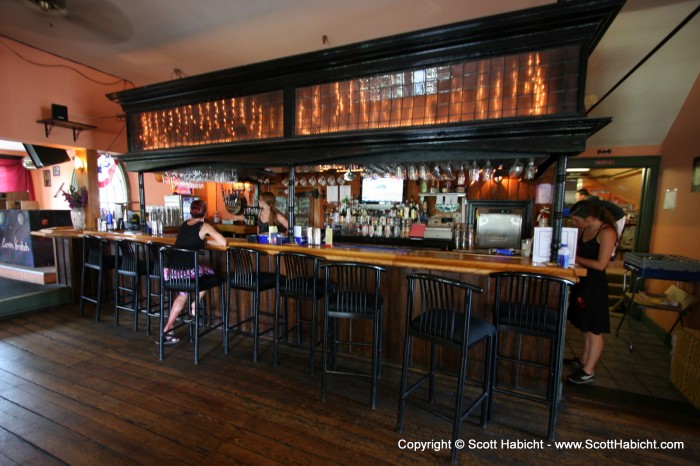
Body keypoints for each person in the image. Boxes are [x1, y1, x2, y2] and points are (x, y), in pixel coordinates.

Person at [565, 200, 618, 384]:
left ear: (589, 218)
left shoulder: (607, 233)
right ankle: (583, 359)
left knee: (594, 328)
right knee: (584, 324)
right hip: (582, 282)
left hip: (596, 286)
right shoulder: (585, 229)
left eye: (576, 221)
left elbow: (600, 265)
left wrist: (575, 258)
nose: (575, 224)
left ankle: (589, 370)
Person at [161, 200, 227, 344]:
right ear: (204, 211)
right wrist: (207, 241)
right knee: (209, 272)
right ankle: (195, 304)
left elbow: (190, 242)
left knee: (182, 294)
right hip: (187, 272)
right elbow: (223, 242)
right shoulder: (204, 226)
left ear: (191, 211)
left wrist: (203, 242)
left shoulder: (184, 224)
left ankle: (167, 329)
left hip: (173, 272)